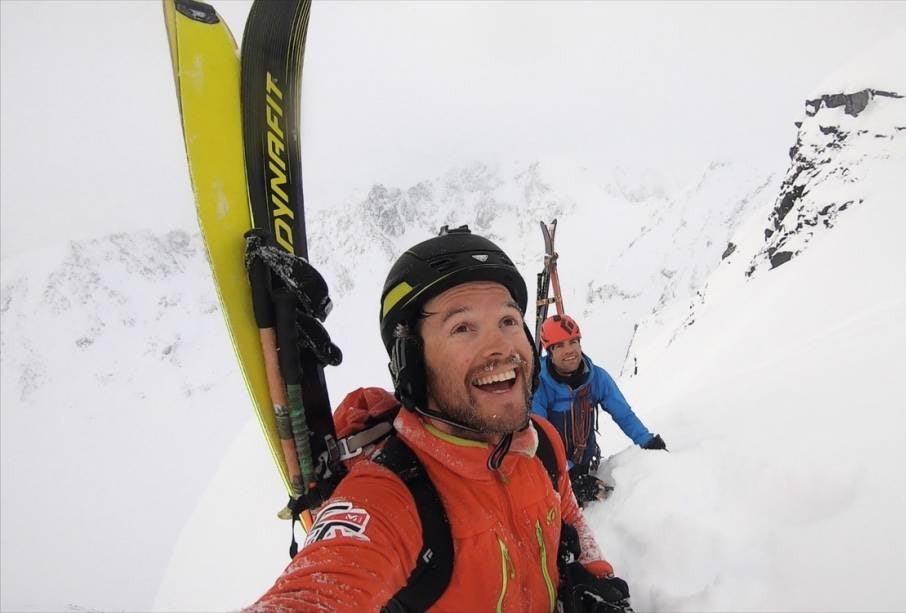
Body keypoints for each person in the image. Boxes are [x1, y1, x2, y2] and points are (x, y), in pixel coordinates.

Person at [249, 226, 632, 612]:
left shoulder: (542, 443)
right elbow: (313, 592)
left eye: (508, 321)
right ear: (412, 363)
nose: (500, 345)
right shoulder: (388, 496)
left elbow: (569, 517)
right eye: (462, 327)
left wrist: (593, 577)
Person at [532, 313, 667, 504]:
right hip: (551, 469)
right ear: (549, 351)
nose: (569, 350)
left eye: (573, 342)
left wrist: (647, 441)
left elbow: (624, 414)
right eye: (559, 346)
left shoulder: (596, 379)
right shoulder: (539, 386)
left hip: (584, 462)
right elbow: (539, 439)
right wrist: (568, 474)